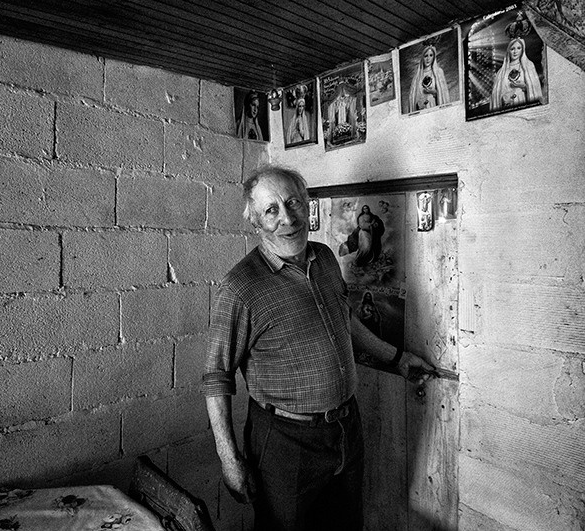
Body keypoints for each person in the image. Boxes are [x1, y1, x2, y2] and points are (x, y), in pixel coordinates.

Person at [202, 165, 435, 531]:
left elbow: (345, 320)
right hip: (284, 443)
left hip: (345, 428)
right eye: (271, 210)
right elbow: (217, 377)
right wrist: (229, 459)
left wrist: (397, 358)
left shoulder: (324, 257)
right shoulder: (240, 287)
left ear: (307, 204)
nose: (287, 218)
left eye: (293, 202)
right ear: (255, 222)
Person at [490, 37, 543, 111]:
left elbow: (536, 90)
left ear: (522, 49)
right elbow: (495, 95)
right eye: (512, 49)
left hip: (523, 104)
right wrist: (504, 97)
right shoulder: (501, 72)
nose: (515, 52)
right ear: (508, 51)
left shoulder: (528, 66)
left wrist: (524, 86)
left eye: (518, 48)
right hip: (507, 107)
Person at [408, 44, 450, 112]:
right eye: (426, 56)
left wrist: (434, 92)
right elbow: (413, 97)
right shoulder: (417, 76)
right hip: (421, 110)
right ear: (422, 57)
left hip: (433, 107)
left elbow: (443, 94)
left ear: (434, 57)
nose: (428, 59)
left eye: (431, 55)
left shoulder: (438, 72)